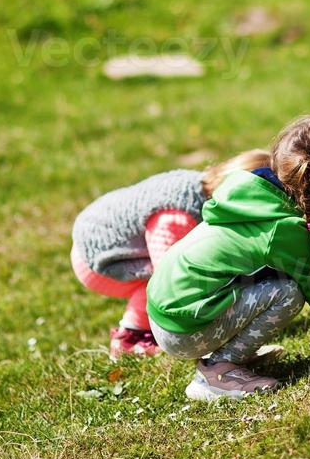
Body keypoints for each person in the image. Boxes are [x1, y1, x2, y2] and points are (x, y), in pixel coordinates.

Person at [146, 115, 310, 401]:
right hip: (184, 329)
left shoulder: (259, 196)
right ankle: (218, 374)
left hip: (171, 312)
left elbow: (307, 270)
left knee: (284, 281)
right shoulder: (286, 230)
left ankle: (231, 358)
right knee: (287, 293)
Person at [71, 149, 270, 358]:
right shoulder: (178, 218)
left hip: (112, 234)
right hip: (98, 256)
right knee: (164, 281)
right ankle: (131, 338)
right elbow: (166, 278)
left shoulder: (204, 188)